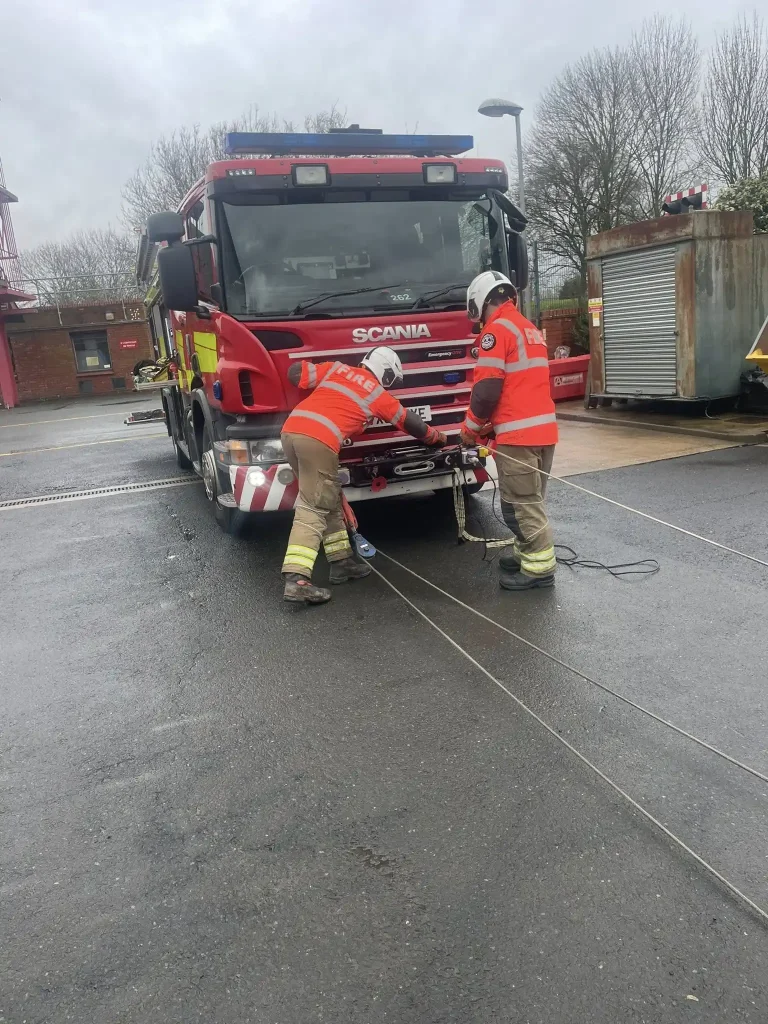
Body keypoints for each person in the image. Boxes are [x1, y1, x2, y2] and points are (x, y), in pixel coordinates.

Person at [281, 347, 447, 605]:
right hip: (318, 440)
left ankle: (341, 562)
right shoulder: (377, 393)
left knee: (330, 498)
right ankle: (297, 579)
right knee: (313, 506)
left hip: (291, 431)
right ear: (388, 375)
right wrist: (436, 438)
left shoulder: (337, 368)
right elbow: (408, 421)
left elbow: (295, 373)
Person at [460, 271, 558, 591]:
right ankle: (526, 552)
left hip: (518, 439)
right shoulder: (529, 330)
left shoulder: (496, 330)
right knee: (528, 501)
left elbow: (487, 390)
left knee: (521, 505)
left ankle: (539, 569)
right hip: (543, 433)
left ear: (481, 302)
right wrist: (493, 427)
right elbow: (519, 389)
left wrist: (471, 428)